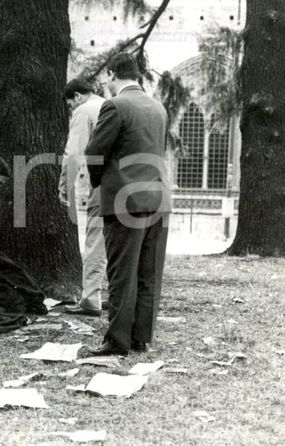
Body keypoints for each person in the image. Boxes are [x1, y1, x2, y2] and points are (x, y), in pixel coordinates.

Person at [84, 52, 171, 355]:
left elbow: (94, 153)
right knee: (149, 273)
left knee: (122, 273)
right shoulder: (158, 108)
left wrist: (100, 185)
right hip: (158, 200)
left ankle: (117, 340)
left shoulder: (116, 105)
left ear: (111, 75)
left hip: (125, 202)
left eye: (106, 78)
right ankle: (140, 338)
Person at [58, 78, 108, 317]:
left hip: (103, 184)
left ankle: (90, 300)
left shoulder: (84, 111)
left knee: (95, 242)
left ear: (77, 96)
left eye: (70, 105)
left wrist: (64, 185)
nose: (71, 110)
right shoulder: (109, 105)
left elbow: (74, 153)